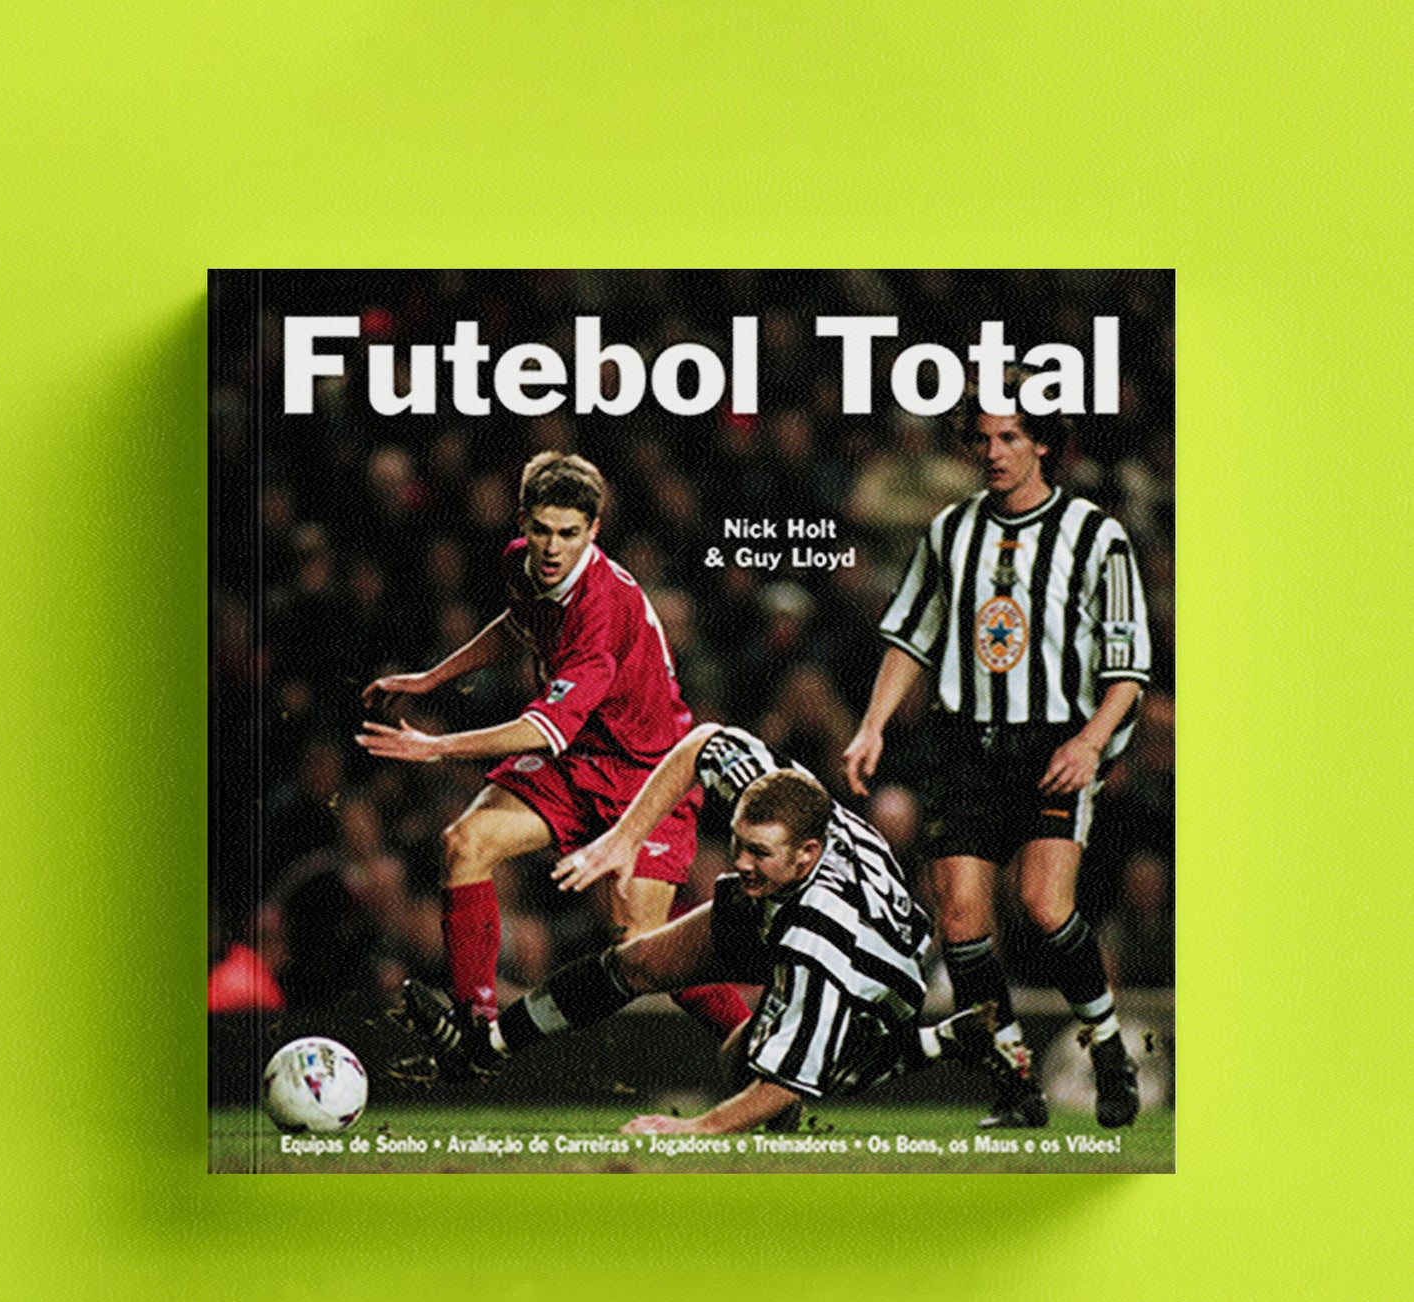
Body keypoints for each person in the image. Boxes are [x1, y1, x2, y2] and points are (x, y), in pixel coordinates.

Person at [404, 723, 1032, 1135]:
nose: (740, 863)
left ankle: (941, 1041)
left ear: (807, 855)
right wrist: (625, 838)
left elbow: (780, 1083)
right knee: (638, 963)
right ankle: (481, 1048)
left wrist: (694, 1129)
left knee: (759, 1067)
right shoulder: (774, 806)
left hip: (882, 970)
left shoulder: (821, 935)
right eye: (738, 844)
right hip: (789, 905)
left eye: (759, 852)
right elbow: (703, 742)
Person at [355, 451, 748, 1050]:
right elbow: (521, 625)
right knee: (465, 844)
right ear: (523, 522)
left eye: (569, 533)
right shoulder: (522, 564)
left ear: (594, 530)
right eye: (541, 530)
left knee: (643, 949)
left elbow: (542, 728)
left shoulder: (600, 610)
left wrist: (437, 748)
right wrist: (432, 678)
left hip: (646, 773)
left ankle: (752, 1040)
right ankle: (474, 1029)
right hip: (576, 760)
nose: (552, 548)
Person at [843, 381, 1152, 1128]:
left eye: (1009, 436)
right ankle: (1015, 1084)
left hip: (1052, 743)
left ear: (1042, 442)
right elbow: (909, 637)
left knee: (1045, 905)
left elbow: (1129, 669)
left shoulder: (1095, 535)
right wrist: (872, 724)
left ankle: (1109, 1047)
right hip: (964, 745)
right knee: (959, 919)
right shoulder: (950, 531)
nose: (993, 452)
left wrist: (1088, 742)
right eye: (981, 439)